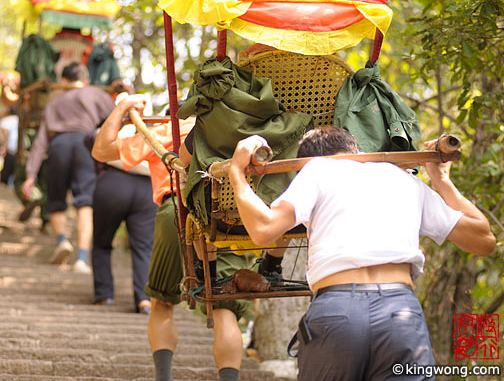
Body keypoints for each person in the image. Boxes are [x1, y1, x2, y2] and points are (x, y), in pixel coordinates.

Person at [228, 125, 495, 381]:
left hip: (337, 312)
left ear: (307, 161)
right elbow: (484, 240)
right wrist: (442, 181)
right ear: (355, 152)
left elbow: (264, 229)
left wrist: (237, 173)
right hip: (400, 314)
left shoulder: (317, 169)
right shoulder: (402, 178)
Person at [92, 94, 250, 381]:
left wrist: (122, 107)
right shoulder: (236, 134)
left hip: (177, 210)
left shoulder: (168, 132)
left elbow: (101, 150)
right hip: (228, 217)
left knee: (162, 302)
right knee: (225, 306)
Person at [21, 62, 116, 274]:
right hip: (86, 145)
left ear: (63, 81)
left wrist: (30, 175)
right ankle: (82, 259)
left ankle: (63, 241)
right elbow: (117, 119)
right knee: (84, 202)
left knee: (56, 200)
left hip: (58, 146)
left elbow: (40, 142)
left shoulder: (54, 103)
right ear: (87, 79)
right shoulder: (97, 95)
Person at [86, 129, 157, 313]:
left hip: (112, 184)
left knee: (102, 243)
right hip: (146, 187)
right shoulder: (152, 131)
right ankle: (144, 299)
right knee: (143, 248)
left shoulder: (113, 129)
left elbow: (89, 140)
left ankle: (104, 295)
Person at [0, 108, 18, 185]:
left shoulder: (6, 120)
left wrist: (3, 146)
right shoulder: (19, 119)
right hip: (18, 150)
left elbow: (4, 136)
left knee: (6, 172)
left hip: (10, 150)